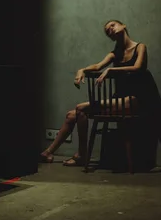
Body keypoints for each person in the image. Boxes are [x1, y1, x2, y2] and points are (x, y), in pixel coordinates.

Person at [40, 20, 148, 166]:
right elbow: (97, 66)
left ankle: (82, 155)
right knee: (71, 115)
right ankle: (48, 152)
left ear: (123, 26)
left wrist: (111, 70)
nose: (110, 29)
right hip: (118, 101)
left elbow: (138, 67)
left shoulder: (140, 47)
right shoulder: (115, 53)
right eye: (107, 30)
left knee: (81, 108)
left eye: (112, 25)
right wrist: (82, 70)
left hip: (134, 100)